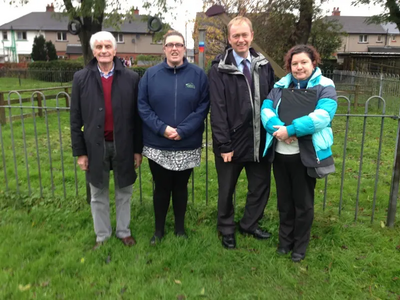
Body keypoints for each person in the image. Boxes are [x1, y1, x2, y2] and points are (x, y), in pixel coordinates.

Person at [261, 44, 337, 262]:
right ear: (289, 66)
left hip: (305, 155)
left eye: (304, 62)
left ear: (313, 63)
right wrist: (280, 130)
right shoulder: (280, 86)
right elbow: (265, 110)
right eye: (294, 63)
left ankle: (299, 247)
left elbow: (323, 115)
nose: (299, 67)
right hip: (281, 153)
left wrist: (291, 129)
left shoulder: (325, 85)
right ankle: (285, 243)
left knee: (303, 203)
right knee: (284, 202)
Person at [70, 31, 143, 250]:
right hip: (95, 146)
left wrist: (137, 150)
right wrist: (80, 153)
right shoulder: (81, 78)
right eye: (99, 47)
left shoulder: (131, 78)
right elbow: (75, 118)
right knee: (97, 193)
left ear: (115, 50)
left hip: (124, 144)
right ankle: (102, 235)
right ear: (94, 51)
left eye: (107, 47)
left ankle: (123, 231)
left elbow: (137, 118)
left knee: (124, 191)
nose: (104, 51)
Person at [208, 16, 275, 249]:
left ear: (252, 36)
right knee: (227, 189)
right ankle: (226, 228)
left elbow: (272, 99)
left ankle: (249, 224)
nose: (240, 39)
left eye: (244, 35)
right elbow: (217, 108)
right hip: (231, 142)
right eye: (235, 36)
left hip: (260, 139)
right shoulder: (219, 68)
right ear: (229, 38)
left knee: (260, 186)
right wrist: (224, 144)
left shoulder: (263, 64)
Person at [138, 30, 209, 245]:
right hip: (158, 143)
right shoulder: (150, 75)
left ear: (184, 48)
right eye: (170, 45)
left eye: (178, 44)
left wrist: (183, 130)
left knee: (180, 187)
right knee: (161, 187)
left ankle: (179, 228)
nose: (174, 48)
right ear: (164, 49)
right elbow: (143, 106)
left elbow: (203, 106)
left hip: (187, 143)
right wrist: (163, 129)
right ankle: (158, 230)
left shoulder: (198, 75)